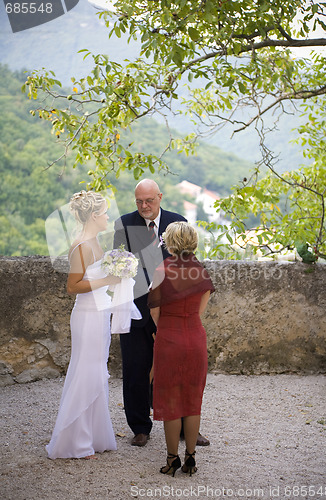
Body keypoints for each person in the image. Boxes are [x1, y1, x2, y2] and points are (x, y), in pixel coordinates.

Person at [113, 179, 210, 447]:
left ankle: (184, 428)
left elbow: (187, 262)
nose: (144, 206)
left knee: (179, 371)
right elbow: (122, 264)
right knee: (135, 369)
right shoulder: (124, 224)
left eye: (149, 201)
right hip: (136, 309)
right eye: (139, 201)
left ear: (160, 197)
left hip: (171, 312)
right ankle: (140, 426)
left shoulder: (178, 221)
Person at [46, 190, 120, 459]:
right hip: (86, 316)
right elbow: (72, 286)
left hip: (100, 313)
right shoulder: (81, 246)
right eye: (105, 212)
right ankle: (75, 441)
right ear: (94, 216)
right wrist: (108, 280)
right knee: (86, 372)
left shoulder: (96, 242)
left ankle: (94, 435)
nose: (108, 216)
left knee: (98, 371)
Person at [147, 222, 215, 476]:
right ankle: (191, 459)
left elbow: (155, 310)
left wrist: (166, 328)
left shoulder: (161, 270)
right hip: (195, 337)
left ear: (169, 242)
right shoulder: (201, 271)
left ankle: (172, 459)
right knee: (193, 399)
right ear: (193, 242)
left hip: (169, 339)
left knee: (171, 399)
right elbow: (199, 310)